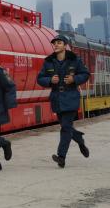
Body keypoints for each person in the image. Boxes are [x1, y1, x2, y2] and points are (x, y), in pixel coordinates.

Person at [37, 35, 90, 168]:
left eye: (59, 43)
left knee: (65, 127)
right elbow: (40, 78)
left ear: (65, 45)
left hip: (71, 97)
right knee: (66, 127)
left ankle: (61, 157)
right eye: (54, 43)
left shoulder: (74, 60)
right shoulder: (48, 61)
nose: (56, 45)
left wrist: (74, 80)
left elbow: (85, 74)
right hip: (57, 99)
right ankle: (79, 139)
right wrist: (49, 81)